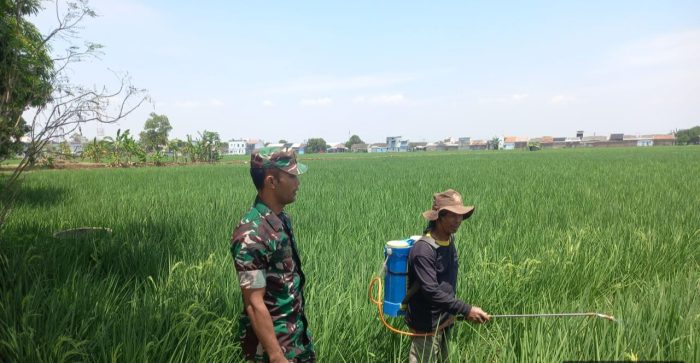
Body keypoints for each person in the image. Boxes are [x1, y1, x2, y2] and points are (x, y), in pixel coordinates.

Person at [230, 148, 315, 363]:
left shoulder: (282, 220)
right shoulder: (251, 235)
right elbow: (253, 303)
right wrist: (277, 356)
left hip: (296, 339)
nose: (298, 184)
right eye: (292, 176)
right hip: (274, 349)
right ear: (271, 181)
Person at [404, 189, 490, 363]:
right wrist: (466, 310)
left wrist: (455, 312)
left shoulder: (449, 240)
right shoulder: (423, 250)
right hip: (426, 327)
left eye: (460, 215)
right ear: (439, 217)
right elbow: (431, 291)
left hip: (446, 320)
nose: (458, 220)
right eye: (453, 215)